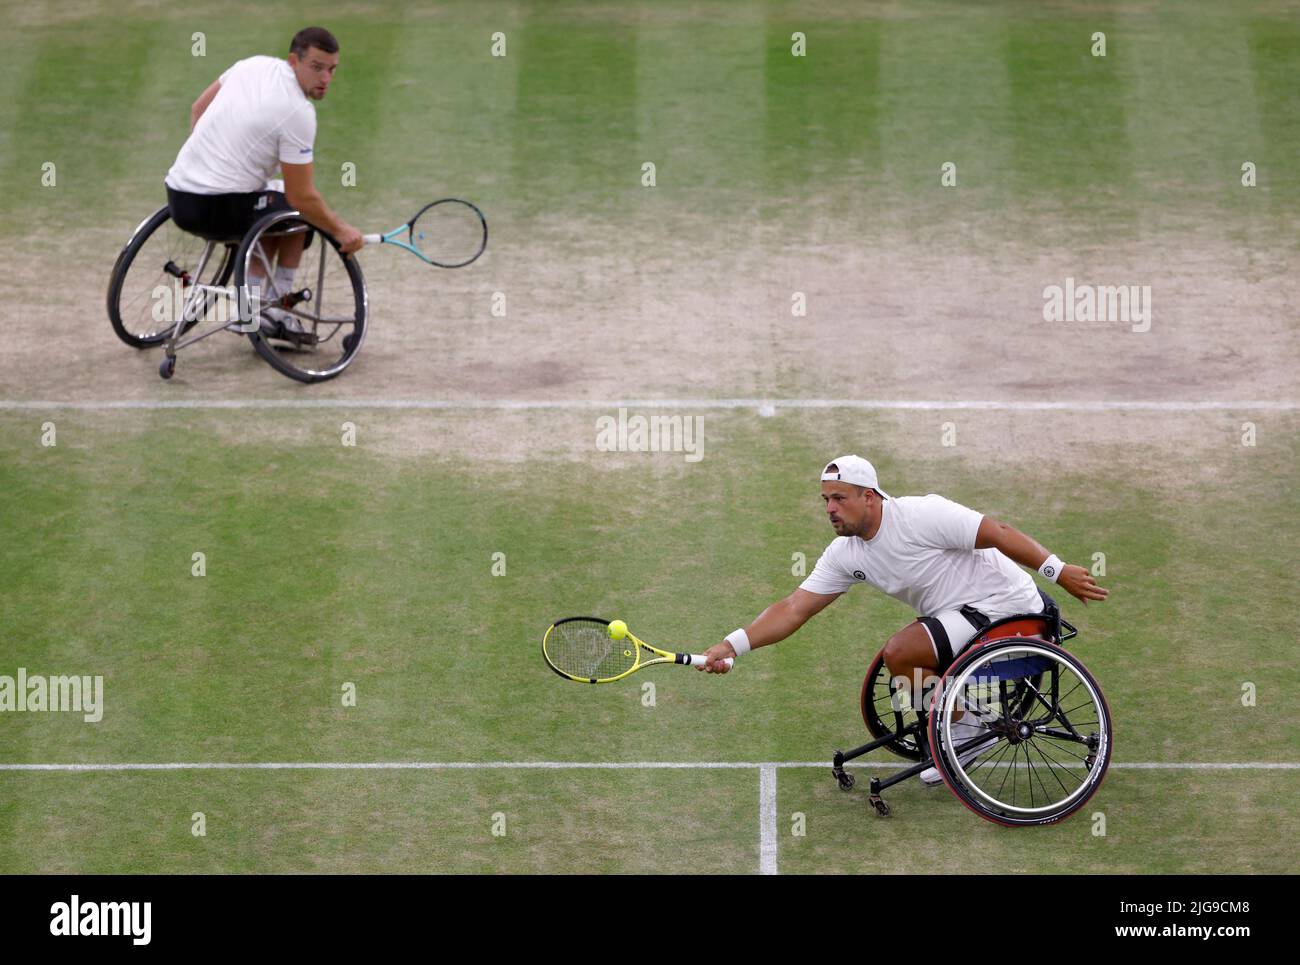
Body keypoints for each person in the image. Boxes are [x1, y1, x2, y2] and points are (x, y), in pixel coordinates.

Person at [702, 455, 1108, 783]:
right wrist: (730, 645)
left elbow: (998, 531)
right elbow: (794, 608)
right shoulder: (846, 553)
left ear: (870, 497)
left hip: (1008, 608)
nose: (829, 509)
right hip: (961, 616)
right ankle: (961, 721)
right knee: (906, 656)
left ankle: (970, 730)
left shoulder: (922, 515)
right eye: (825, 499)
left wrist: (1058, 570)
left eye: (839, 498)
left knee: (901, 651)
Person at [163, 26, 363, 337]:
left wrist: (210, 163)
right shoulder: (298, 112)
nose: (325, 79)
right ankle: (272, 307)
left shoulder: (251, 65)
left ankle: (252, 308)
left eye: (331, 70)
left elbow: (197, 109)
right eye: (316, 68)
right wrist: (340, 230)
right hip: (219, 210)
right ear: (293, 61)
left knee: (269, 200)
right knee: (299, 213)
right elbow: (302, 197)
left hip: (178, 195)